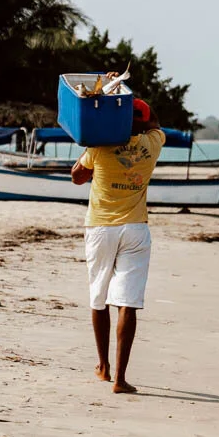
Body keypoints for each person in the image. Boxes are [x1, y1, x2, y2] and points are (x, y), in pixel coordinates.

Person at [71, 94, 165, 394]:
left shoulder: (99, 147)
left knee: (98, 296)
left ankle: (103, 366)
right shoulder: (153, 143)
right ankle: (121, 379)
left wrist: (110, 103)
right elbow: (155, 122)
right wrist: (125, 95)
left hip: (100, 226)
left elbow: (76, 178)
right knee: (128, 302)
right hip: (136, 228)